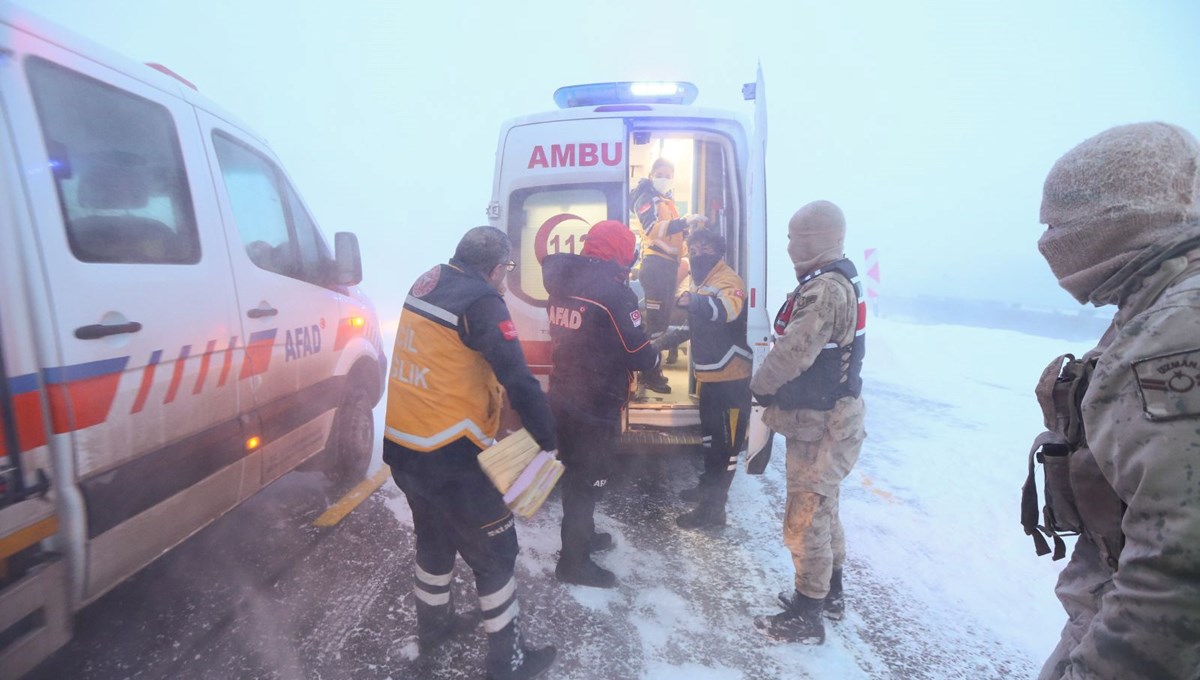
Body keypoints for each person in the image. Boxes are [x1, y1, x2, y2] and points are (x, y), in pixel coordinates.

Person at [1025, 122, 1200, 680]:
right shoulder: (1155, 309)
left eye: (1060, 223)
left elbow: (1176, 572)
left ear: (1116, 218)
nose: (1050, 241)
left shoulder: (1175, 333)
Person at [383, 226, 557, 680]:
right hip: (451, 458)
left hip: (405, 447)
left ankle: (435, 629)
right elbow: (517, 377)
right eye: (509, 270)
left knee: (434, 542)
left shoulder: (431, 279)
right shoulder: (482, 303)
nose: (507, 278)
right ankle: (509, 663)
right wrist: (546, 437)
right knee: (496, 553)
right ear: (497, 268)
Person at [749, 201, 867, 645]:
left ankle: (807, 612)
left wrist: (760, 387)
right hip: (833, 419)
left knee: (806, 516)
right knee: (825, 508)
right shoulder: (838, 280)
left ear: (814, 240)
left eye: (794, 237)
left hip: (821, 425)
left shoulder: (823, 291)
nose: (789, 246)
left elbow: (795, 351)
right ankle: (830, 594)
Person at [542, 220, 660, 588]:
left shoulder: (562, 282)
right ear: (620, 252)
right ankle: (572, 563)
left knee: (576, 473)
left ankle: (583, 536)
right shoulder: (614, 294)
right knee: (585, 481)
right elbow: (638, 352)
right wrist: (656, 358)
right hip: (594, 403)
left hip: (565, 394)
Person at [656, 228, 753, 529]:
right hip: (711, 378)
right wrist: (662, 341)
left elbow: (726, 311)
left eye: (704, 249)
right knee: (711, 442)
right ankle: (705, 490)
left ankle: (713, 512)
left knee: (726, 451)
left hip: (732, 382)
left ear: (718, 251)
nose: (698, 255)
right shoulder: (703, 283)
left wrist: (692, 302)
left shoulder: (728, 281)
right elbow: (692, 326)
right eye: (693, 250)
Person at [630, 157, 706, 393]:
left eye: (669, 174)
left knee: (660, 326)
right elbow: (653, 229)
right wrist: (682, 221)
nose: (665, 178)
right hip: (655, 267)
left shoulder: (666, 201)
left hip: (667, 267)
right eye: (661, 173)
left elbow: (675, 240)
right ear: (652, 175)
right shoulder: (647, 199)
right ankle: (647, 374)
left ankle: (653, 371)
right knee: (654, 327)